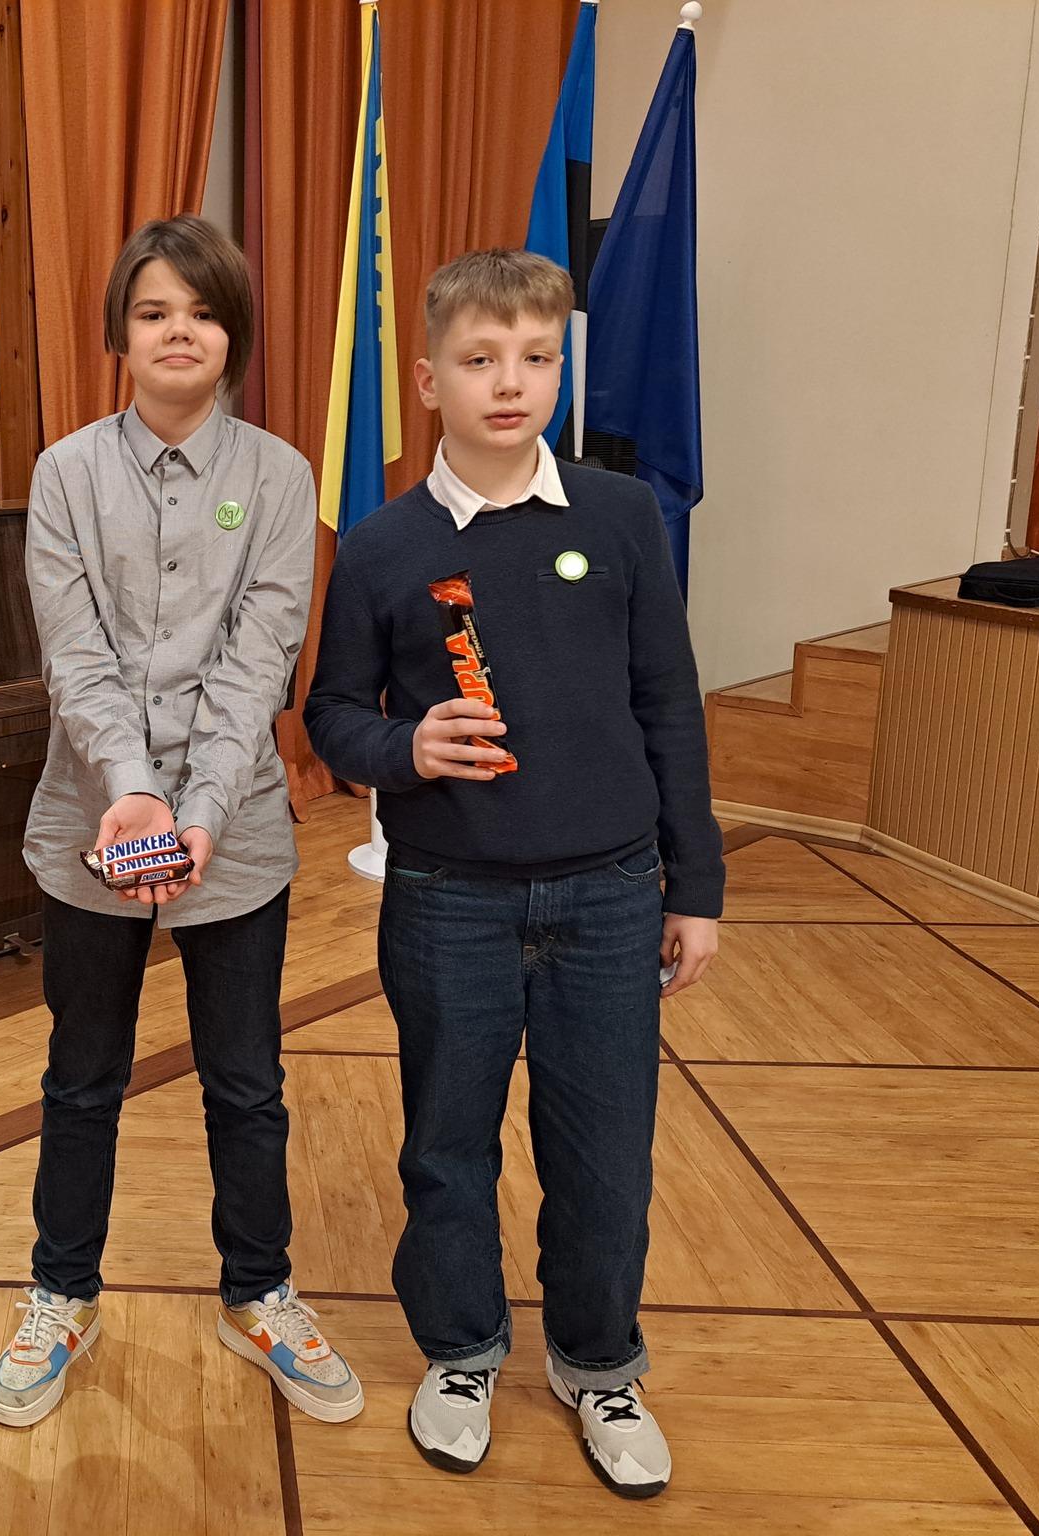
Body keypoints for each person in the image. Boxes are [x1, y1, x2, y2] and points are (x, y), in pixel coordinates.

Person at [303, 248, 724, 1500]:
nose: (509, 383)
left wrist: (693, 887)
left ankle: (597, 1364)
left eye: (536, 357)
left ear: (559, 370)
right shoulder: (380, 545)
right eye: (479, 359)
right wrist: (403, 748)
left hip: (609, 897)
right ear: (426, 377)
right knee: (446, 1145)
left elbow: (668, 703)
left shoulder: (618, 516)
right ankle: (461, 1351)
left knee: (604, 1153)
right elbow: (330, 713)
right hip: (449, 901)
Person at [0, 215, 363, 1431]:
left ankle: (257, 1293)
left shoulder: (280, 477)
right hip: (89, 822)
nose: (177, 332)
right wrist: (131, 792)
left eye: (200, 312)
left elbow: (259, 664)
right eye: (152, 312)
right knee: (80, 1076)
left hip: (235, 829)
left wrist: (195, 808)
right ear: (120, 333)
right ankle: (61, 1294)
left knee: (245, 1080)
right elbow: (74, 654)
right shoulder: (65, 473)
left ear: (231, 333)